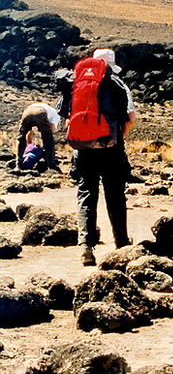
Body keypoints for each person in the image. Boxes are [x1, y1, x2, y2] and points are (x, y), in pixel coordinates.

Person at [58, 48, 136, 266]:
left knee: (86, 193)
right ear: (111, 64)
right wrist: (118, 137)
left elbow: (65, 120)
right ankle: (121, 244)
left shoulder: (76, 83)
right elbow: (130, 118)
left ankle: (86, 247)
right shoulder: (118, 83)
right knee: (115, 194)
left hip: (82, 149)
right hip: (111, 147)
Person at [16, 100, 62, 171]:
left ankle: (18, 164)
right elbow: (51, 130)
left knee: (21, 139)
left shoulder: (48, 109)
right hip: (40, 112)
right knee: (49, 140)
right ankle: (51, 165)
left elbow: (29, 133)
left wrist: (30, 142)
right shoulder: (56, 114)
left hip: (27, 112)